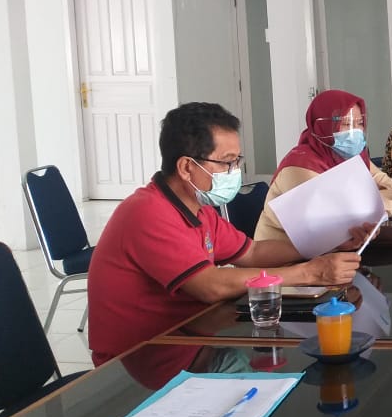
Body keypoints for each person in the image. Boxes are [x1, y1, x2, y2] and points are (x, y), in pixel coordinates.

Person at [87, 102, 360, 366]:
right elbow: (210, 286)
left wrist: (328, 242)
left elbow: (252, 252)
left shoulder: (199, 208)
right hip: (141, 358)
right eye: (227, 163)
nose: (235, 172)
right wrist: (310, 273)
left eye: (237, 161)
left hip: (191, 337)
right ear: (186, 167)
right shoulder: (148, 212)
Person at [254, 89, 392, 242]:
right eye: (345, 124)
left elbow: (384, 182)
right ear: (322, 126)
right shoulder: (300, 166)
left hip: (333, 250)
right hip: (281, 261)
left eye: (359, 123)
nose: (354, 132)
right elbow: (340, 214)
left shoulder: (351, 154)